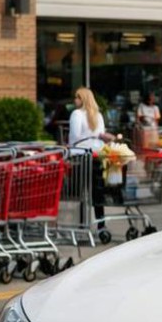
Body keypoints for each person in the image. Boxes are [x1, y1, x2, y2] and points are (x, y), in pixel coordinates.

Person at [68, 87, 111, 231]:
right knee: (97, 192)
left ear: (84, 99)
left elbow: (74, 136)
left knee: (79, 192)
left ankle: (81, 224)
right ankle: (101, 224)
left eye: (77, 97)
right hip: (96, 156)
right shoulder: (98, 115)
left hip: (80, 157)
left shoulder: (76, 114)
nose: (75, 100)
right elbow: (101, 135)